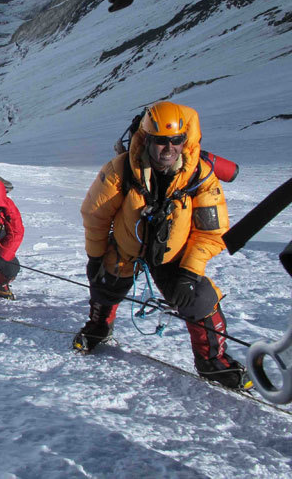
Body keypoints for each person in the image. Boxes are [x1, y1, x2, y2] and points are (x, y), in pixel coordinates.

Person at [74, 100, 251, 389]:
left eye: (176, 140)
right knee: (104, 284)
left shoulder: (201, 175)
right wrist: (95, 257)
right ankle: (98, 327)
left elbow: (212, 232)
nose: (169, 148)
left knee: (200, 299)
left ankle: (212, 363)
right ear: (146, 139)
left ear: (184, 140)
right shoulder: (121, 170)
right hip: (126, 247)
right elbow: (95, 215)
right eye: (160, 141)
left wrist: (190, 274)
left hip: (174, 255)